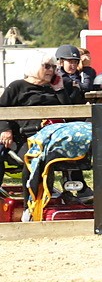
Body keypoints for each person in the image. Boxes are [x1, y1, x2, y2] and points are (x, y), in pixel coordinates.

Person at [0, 54, 86, 189]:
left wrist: (59, 89)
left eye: (53, 67)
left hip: (53, 135)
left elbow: (69, 113)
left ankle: (79, 189)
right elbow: (2, 109)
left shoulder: (55, 88)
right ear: (34, 67)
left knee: (72, 148)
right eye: (46, 66)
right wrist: (5, 129)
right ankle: (32, 199)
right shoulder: (17, 86)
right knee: (36, 156)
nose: (51, 70)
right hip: (25, 136)